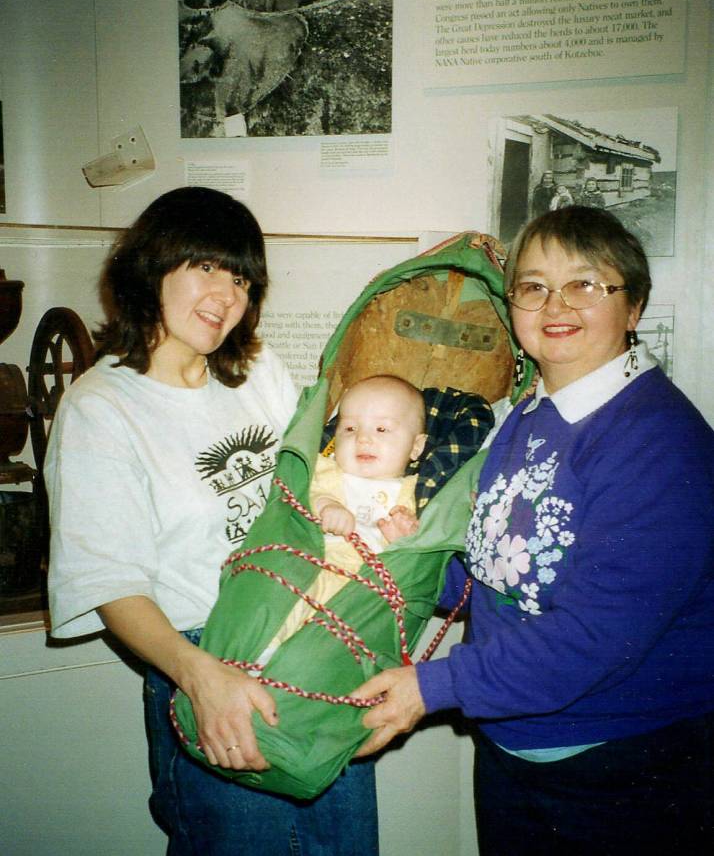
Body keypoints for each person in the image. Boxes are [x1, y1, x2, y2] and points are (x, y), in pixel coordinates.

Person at [352, 205, 714, 855]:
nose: (556, 302)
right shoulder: (532, 411)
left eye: (585, 283)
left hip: (622, 769)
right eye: (534, 285)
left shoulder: (659, 443)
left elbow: (594, 635)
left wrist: (430, 686)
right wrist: (399, 558)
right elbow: (497, 563)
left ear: (632, 308)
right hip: (520, 750)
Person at [46, 186, 379, 856]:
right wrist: (201, 676)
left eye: (240, 278)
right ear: (152, 267)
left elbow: (314, 486)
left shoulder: (256, 372)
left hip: (308, 646)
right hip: (205, 656)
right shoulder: (102, 406)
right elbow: (111, 584)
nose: (225, 295)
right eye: (204, 266)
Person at [264, 375, 427, 656]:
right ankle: (265, 652)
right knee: (289, 598)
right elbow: (307, 492)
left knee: (358, 638)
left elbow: (411, 557)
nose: (363, 438)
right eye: (349, 428)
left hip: (368, 590)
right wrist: (328, 505)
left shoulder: (408, 492)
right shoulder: (328, 471)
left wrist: (402, 537)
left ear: (415, 447)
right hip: (322, 565)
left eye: (381, 429)